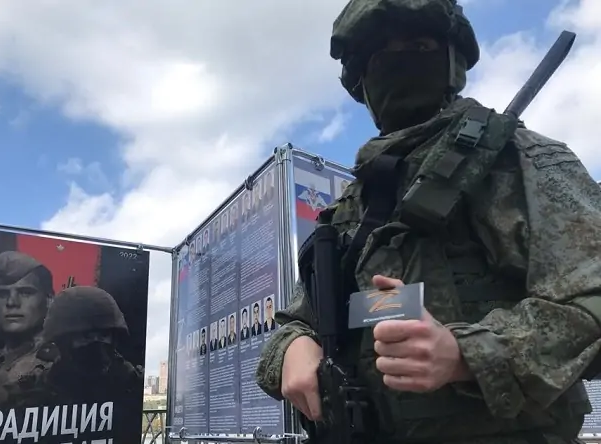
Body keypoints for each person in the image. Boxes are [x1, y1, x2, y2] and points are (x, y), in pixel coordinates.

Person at [255, 1, 601, 443]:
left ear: (452, 62)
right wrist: (291, 349)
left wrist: (467, 354)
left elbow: (591, 296)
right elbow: (295, 321)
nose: (399, 61)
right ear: (362, 78)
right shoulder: (351, 208)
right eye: (380, 53)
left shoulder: (516, 162)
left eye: (418, 45)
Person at [0, 250, 55, 410]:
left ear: (49, 300)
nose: (12, 302)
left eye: (25, 293)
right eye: (2, 293)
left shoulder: (60, 363)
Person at [40, 286, 143, 405]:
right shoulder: (37, 392)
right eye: (86, 336)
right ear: (63, 342)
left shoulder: (136, 385)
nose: (96, 343)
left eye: (104, 335)